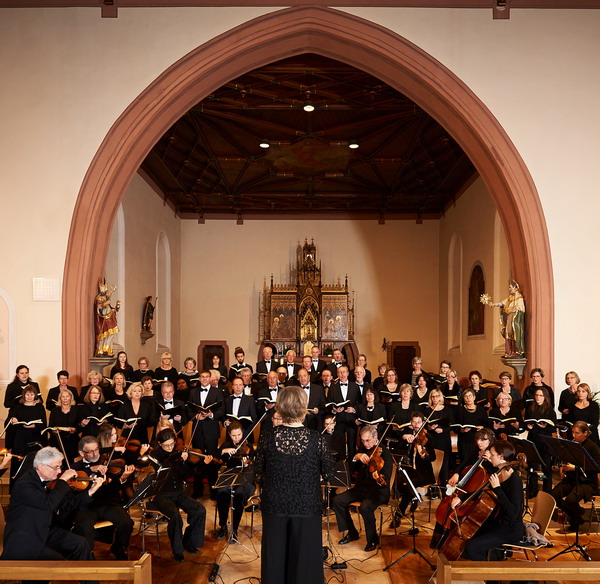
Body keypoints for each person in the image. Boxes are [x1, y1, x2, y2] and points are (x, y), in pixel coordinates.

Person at [255, 386, 335, 584]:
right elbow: (329, 473)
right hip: (307, 505)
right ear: (303, 408)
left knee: (275, 559)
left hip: (275, 504)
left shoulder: (267, 436)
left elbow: (258, 473)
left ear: (280, 408)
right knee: (305, 562)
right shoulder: (317, 439)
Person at [1, 446, 103, 577]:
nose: (59, 471)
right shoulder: (24, 484)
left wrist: (90, 492)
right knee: (56, 561)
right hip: (26, 537)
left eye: (60, 467)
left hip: (44, 530)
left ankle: (90, 581)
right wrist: (62, 480)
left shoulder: (47, 481)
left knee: (81, 543)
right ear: (41, 466)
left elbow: (67, 505)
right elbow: (49, 504)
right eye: (56, 467)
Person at [451, 439, 524, 560]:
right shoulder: (499, 472)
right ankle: (491, 562)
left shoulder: (514, 481)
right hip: (497, 522)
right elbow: (484, 491)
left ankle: (490, 577)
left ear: (501, 457)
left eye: (492, 454)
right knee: (464, 537)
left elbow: (513, 514)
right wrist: (462, 497)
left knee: (471, 547)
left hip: (510, 529)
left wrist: (498, 489)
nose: (489, 456)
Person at [147, 428, 208, 562]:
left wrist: (186, 462)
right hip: (161, 494)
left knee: (199, 510)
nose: (170, 448)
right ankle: (177, 550)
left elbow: (187, 476)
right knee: (175, 516)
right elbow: (164, 470)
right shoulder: (154, 455)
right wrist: (178, 460)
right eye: (166, 445)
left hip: (178, 492)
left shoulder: (177, 454)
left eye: (172, 444)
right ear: (160, 444)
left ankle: (188, 540)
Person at [71, 436, 135, 560]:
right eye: (90, 451)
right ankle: (87, 557)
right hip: (86, 507)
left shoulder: (106, 462)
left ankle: (118, 547)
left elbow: (115, 487)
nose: (95, 454)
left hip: (107, 504)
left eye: (97, 449)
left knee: (127, 523)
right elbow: (73, 476)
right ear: (81, 453)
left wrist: (123, 478)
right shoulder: (76, 466)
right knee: (84, 527)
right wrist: (89, 469)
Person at [333, 424, 392, 551]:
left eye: (368, 440)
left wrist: (378, 478)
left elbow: (386, 478)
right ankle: (352, 532)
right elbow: (349, 467)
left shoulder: (385, 454)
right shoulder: (362, 450)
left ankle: (372, 540)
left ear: (376, 437)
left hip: (378, 491)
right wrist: (356, 457)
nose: (366, 444)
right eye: (363, 441)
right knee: (338, 501)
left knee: (365, 507)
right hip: (361, 489)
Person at [552, 421, 600, 532]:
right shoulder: (572, 444)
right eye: (572, 432)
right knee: (554, 495)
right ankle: (577, 515)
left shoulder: (593, 447)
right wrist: (563, 466)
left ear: (585, 433)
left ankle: (575, 518)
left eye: (577, 433)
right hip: (572, 478)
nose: (573, 435)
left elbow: (597, 467)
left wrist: (576, 468)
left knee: (570, 500)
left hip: (587, 481)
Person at [215, 422, 256, 541]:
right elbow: (216, 456)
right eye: (234, 436)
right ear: (229, 434)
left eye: (239, 435)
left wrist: (247, 462)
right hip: (229, 477)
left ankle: (235, 529)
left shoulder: (248, 446)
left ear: (242, 433)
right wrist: (224, 451)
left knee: (239, 495)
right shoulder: (226, 445)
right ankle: (223, 526)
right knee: (222, 492)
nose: (237, 438)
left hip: (243, 479)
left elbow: (252, 464)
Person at [6, 385, 47, 490]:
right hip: (20, 439)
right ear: (24, 395)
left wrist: (35, 426)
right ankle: (17, 489)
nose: (29, 397)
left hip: (35, 438)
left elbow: (44, 424)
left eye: (32, 394)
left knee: (35, 464)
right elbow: (8, 423)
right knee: (19, 464)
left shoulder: (39, 407)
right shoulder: (17, 407)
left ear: (35, 395)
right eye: (27, 394)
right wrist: (13, 419)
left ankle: (35, 488)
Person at [483, 279, 525, 357]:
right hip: (509, 318)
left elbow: (521, 309)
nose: (509, 289)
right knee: (508, 334)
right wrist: (492, 304)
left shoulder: (519, 298)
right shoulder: (510, 298)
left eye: (510, 287)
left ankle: (517, 351)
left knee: (515, 334)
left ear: (515, 287)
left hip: (515, 319)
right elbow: (502, 303)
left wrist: (515, 311)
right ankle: (510, 352)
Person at [452, 387, 489, 465]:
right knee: (465, 462)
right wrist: (461, 430)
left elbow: (486, 424)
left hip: (478, 440)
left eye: (470, 396)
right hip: (464, 439)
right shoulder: (459, 410)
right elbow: (455, 426)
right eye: (466, 396)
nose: (468, 398)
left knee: (477, 462)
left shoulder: (481, 410)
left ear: (474, 397)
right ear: (464, 399)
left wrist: (482, 427)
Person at [424, 388, 452, 486]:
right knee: (432, 464)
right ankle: (432, 487)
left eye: (437, 396)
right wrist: (431, 428)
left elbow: (451, 426)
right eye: (433, 396)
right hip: (432, 439)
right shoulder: (427, 411)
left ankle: (444, 487)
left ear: (441, 397)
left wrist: (442, 430)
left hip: (444, 439)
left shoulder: (447, 410)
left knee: (444, 465)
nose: (435, 398)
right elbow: (425, 425)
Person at [47, 388, 80, 462]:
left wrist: (75, 429)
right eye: (63, 397)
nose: (65, 399)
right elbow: (50, 426)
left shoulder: (76, 410)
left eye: (67, 396)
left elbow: (79, 425)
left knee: (71, 462)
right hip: (57, 440)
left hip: (72, 440)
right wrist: (53, 431)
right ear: (60, 398)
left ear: (71, 398)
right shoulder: (54, 411)